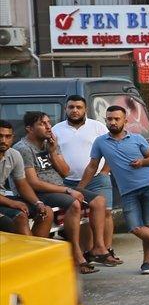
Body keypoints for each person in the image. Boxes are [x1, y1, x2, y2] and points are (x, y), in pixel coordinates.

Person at [77, 105, 149, 274]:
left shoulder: (137, 138)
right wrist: (80, 188)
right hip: (127, 191)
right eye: (109, 119)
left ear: (125, 121)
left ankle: (147, 263)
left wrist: (142, 162)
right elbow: (92, 166)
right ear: (106, 121)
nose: (113, 122)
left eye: (117, 119)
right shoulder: (101, 142)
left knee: (148, 225)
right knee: (135, 227)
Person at [15, 111, 103, 274]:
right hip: (39, 192)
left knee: (99, 201)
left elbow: (65, 172)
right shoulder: (23, 148)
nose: (49, 127)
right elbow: (34, 183)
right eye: (43, 124)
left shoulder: (51, 143)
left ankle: (98, 248)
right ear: (29, 129)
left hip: (59, 187)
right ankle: (77, 255)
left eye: (49, 122)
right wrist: (68, 190)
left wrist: (53, 151)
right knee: (74, 204)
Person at [53, 95, 121, 265]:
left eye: (78, 107)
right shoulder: (56, 130)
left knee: (105, 212)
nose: (74, 110)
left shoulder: (97, 127)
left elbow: (113, 150)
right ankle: (89, 251)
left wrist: (105, 171)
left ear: (85, 110)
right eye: (71, 107)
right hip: (68, 182)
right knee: (81, 215)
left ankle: (107, 250)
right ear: (65, 109)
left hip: (98, 179)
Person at [0, 119, 50, 236]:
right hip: (4, 200)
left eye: (7, 136)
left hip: (3, 197)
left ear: (12, 137)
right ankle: (29, 252)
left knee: (46, 211)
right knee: (19, 217)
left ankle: (37, 250)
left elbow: (22, 184)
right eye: (0, 136)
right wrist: (13, 204)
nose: (3, 140)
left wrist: (37, 202)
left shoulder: (14, 154)